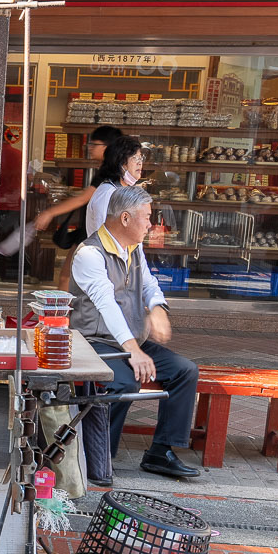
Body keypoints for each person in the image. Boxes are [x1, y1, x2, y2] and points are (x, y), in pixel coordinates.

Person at [69, 184, 201, 481]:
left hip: (130, 343)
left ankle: (160, 452)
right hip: (95, 342)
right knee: (122, 383)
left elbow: (149, 284)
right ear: (125, 218)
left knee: (185, 371)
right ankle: (99, 456)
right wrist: (135, 351)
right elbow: (106, 304)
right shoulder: (89, 253)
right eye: (147, 217)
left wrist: (157, 308)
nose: (151, 224)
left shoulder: (134, 248)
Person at [0, 126, 124, 283]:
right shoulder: (112, 170)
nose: (89, 148)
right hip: (96, 231)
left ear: (107, 147)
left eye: (94, 144)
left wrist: (49, 213)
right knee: (71, 278)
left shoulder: (108, 172)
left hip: (96, 233)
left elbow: (83, 198)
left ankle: (64, 307)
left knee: (66, 278)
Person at [83, 135, 146, 239]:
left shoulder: (123, 191)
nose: (140, 163)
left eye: (141, 158)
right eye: (135, 158)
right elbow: (103, 236)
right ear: (120, 161)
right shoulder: (107, 194)